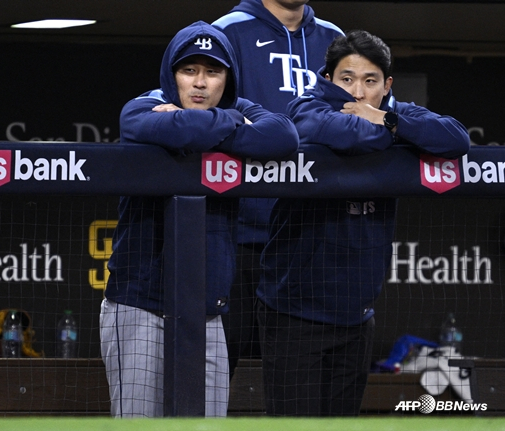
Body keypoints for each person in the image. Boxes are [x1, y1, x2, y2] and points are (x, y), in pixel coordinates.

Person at [257, 30, 470, 416]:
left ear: (387, 85)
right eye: (347, 79)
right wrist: (393, 129)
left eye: (370, 81)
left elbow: (456, 139)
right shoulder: (306, 107)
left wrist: (388, 119)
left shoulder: (395, 113)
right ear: (328, 80)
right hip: (294, 315)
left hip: (357, 318)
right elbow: (352, 135)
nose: (358, 92)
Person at [99, 21, 299, 418]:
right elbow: (143, 124)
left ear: (228, 78)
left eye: (212, 71)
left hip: (207, 311)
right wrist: (230, 124)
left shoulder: (242, 107)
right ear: (172, 74)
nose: (200, 83)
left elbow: (283, 136)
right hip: (140, 304)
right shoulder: (144, 106)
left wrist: (204, 123)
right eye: (189, 70)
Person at [213, 0, 344, 379]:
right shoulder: (228, 31)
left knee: (299, 382)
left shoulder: (334, 38)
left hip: (310, 240)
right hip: (239, 237)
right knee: (214, 372)